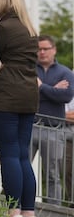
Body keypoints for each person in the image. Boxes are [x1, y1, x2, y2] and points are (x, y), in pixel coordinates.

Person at [0, 0, 39, 217]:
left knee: (7, 153)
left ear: (1, 1)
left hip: (6, 93)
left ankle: (13, 211)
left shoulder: (1, 28)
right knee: (21, 155)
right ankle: (29, 212)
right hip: (28, 94)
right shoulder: (30, 29)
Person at [32, 34, 74, 205]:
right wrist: (53, 91)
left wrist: (41, 87)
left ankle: (54, 212)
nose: (42, 52)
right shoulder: (29, 69)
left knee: (52, 174)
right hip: (30, 126)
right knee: (23, 168)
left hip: (54, 129)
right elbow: (25, 95)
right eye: (39, 49)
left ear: (54, 50)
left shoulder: (65, 72)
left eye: (46, 49)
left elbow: (66, 96)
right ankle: (20, 207)